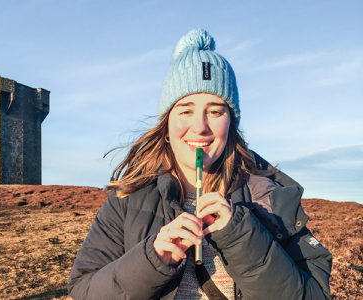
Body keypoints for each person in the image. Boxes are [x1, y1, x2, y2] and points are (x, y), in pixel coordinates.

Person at [67, 29, 332, 300]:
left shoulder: (269, 198)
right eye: (186, 110)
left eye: (215, 111)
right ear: (166, 127)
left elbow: (315, 295)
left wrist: (242, 237)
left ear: (231, 124)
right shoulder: (128, 199)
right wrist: (153, 258)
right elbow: (84, 290)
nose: (200, 127)